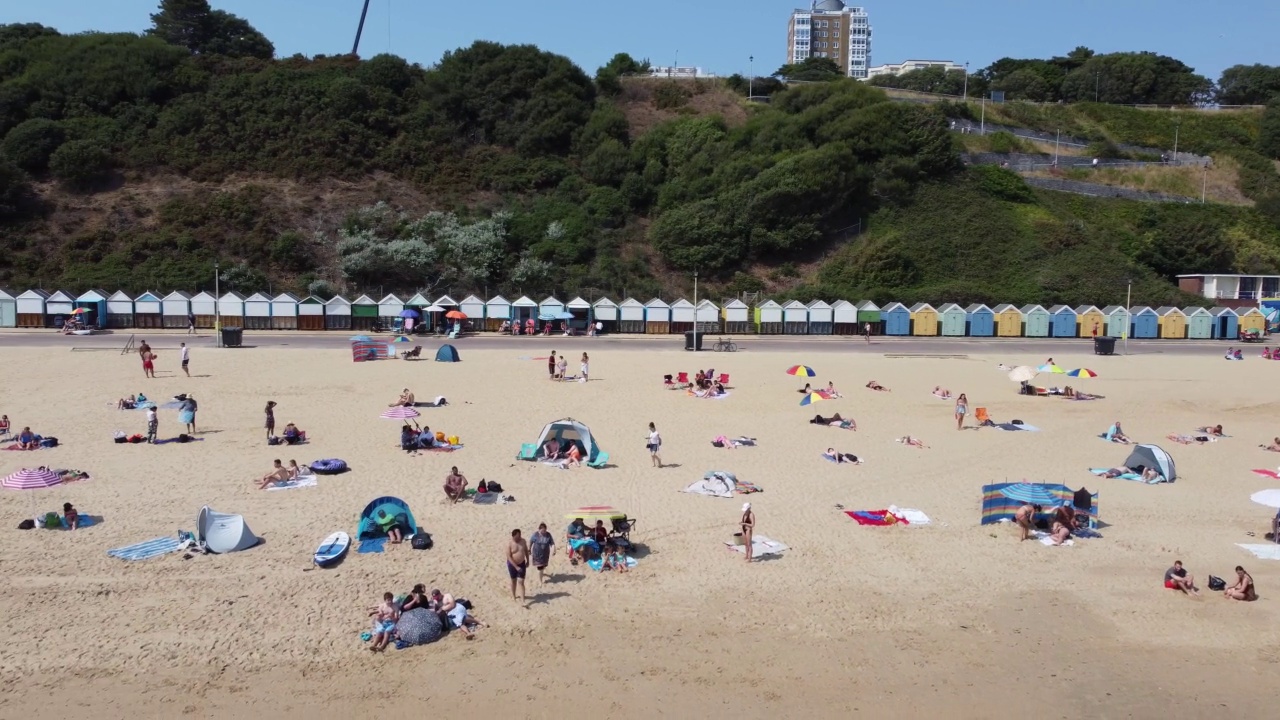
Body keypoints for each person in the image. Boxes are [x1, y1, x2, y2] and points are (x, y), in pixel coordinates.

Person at [507, 529, 529, 603]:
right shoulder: (510, 543)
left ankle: (523, 600)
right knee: (514, 581)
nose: (518, 538)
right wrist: (516, 567)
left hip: (522, 563)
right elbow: (509, 557)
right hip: (512, 564)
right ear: (513, 536)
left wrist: (528, 560)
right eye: (517, 537)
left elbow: (526, 550)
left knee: (521, 581)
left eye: (519, 536)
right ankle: (514, 595)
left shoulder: (523, 541)